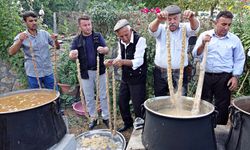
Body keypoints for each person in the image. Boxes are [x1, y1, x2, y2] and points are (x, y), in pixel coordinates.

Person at [192, 10, 246, 124]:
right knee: (203, 102)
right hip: (205, 75)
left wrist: (235, 77)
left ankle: (220, 132)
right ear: (215, 23)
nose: (226, 27)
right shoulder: (205, 35)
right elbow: (195, 54)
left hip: (224, 77)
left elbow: (239, 59)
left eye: (229, 25)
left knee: (222, 105)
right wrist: (202, 43)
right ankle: (202, 127)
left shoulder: (234, 40)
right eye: (223, 24)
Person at [105, 19, 147, 132]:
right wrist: (113, 61)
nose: (124, 38)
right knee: (122, 101)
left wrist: (122, 62)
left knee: (138, 104)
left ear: (131, 30)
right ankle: (127, 123)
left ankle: (142, 125)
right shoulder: (121, 41)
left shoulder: (140, 40)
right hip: (126, 77)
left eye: (126, 35)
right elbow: (120, 55)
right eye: (121, 36)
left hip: (138, 77)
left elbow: (139, 61)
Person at [148, 5, 200, 96]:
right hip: (161, 72)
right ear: (166, 20)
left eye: (175, 19)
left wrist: (191, 18)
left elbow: (195, 28)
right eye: (169, 19)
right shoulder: (160, 28)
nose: (172, 22)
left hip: (180, 72)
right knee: (160, 99)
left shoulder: (185, 28)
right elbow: (152, 30)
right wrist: (158, 20)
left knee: (180, 99)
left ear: (179, 18)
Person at [69, 14, 110, 130]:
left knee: (103, 95)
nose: (88, 27)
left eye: (89, 24)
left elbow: (107, 49)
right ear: (80, 27)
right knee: (89, 96)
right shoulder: (77, 40)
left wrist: (104, 50)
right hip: (85, 72)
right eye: (85, 25)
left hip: (99, 70)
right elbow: (71, 54)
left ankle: (106, 116)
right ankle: (93, 117)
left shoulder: (98, 36)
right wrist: (73, 54)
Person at [8, 11, 60, 89]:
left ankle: (55, 102)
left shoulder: (44, 34)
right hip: (33, 74)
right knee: (36, 97)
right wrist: (20, 40)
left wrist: (55, 40)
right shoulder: (21, 36)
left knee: (54, 93)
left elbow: (57, 47)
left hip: (48, 71)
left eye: (35, 20)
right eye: (31, 21)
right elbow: (11, 52)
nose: (34, 23)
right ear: (25, 22)